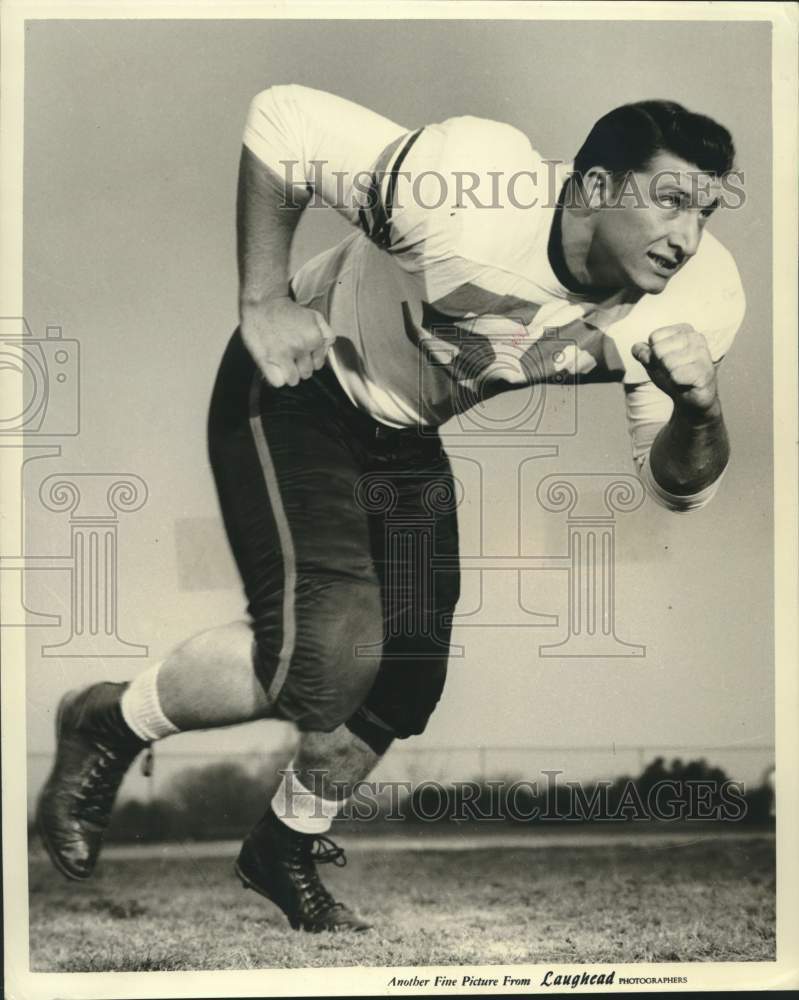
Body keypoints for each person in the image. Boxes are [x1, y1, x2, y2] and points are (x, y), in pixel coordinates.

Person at [37, 86, 745, 933]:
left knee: (408, 676)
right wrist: (262, 297)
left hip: (405, 433)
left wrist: (700, 411)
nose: (687, 238)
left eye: (702, 211)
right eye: (669, 202)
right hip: (303, 381)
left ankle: (283, 846)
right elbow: (282, 123)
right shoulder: (471, 188)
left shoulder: (699, 297)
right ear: (594, 188)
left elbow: (676, 487)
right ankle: (107, 721)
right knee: (328, 653)